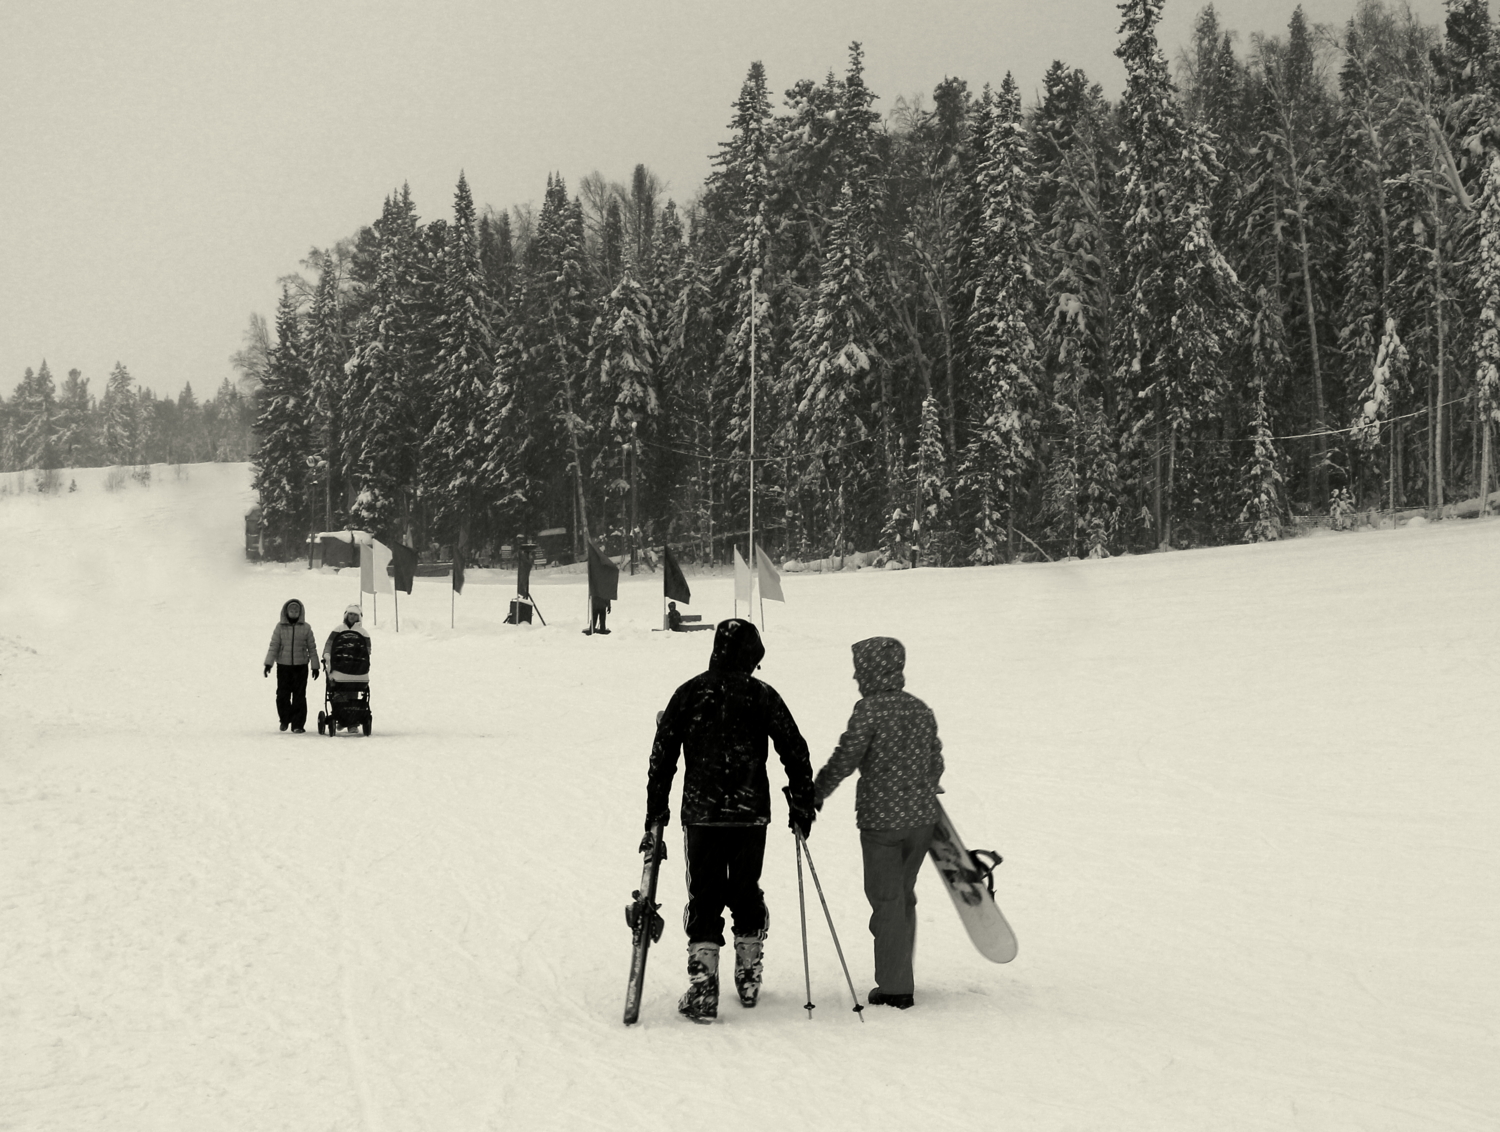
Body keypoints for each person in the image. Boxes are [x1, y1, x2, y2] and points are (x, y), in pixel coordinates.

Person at [645, 618, 816, 1022]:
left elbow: (662, 755)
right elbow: (794, 748)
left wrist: (656, 811)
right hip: (749, 814)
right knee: (744, 890)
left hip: (702, 816)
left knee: (704, 895)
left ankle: (703, 988)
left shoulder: (689, 693)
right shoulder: (761, 695)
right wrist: (803, 803)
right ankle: (749, 971)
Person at [812, 637, 943, 1010]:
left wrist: (816, 792)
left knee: (886, 902)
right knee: (903, 897)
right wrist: (924, 786)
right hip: (921, 822)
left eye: (859, 668)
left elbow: (847, 756)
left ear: (870, 670)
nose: (855, 676)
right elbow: (936, 761)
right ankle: (899, 972)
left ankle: (896, 987)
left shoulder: (868, 710)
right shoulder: (920, 710)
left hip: (882, 825)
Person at [263, 598, 319, 732]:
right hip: (284, 666)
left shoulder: (306, 628)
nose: (294, 612)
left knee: (299, 695)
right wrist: (268, 664)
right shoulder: (280, 627)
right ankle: (285, 719)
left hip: (301, 666)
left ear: (300, 612)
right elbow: (274, 646)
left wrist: (315, 666)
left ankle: (298, 724)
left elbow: (312, 648)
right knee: (282, 695)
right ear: (286, 612)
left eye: (296, 610)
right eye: (291, 610)